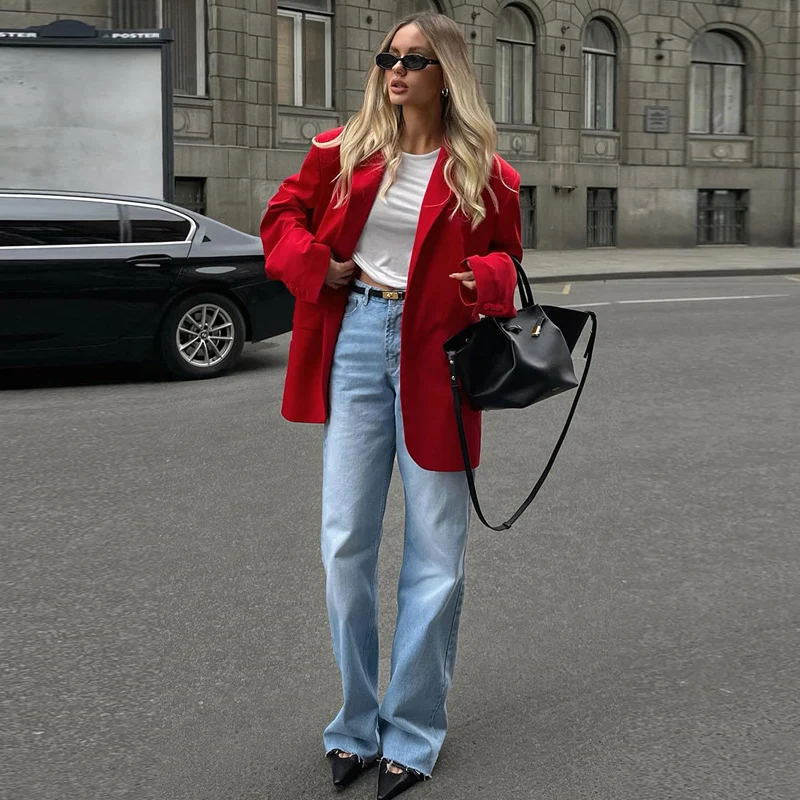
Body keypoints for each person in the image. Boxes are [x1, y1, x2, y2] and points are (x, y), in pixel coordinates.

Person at [261, 11, 522, 799]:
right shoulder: (340, 153)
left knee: (436, 558)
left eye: (413, 59)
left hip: (438, 353)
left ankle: (412, 732)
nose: (394, 70)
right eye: (387, 57)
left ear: (448, 74)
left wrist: (491, 282)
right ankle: (355, 722)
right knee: (345, 543)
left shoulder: (486, 172)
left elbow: (509, 257)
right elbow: (278, 223)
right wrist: (322, 266)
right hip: (357, 342)